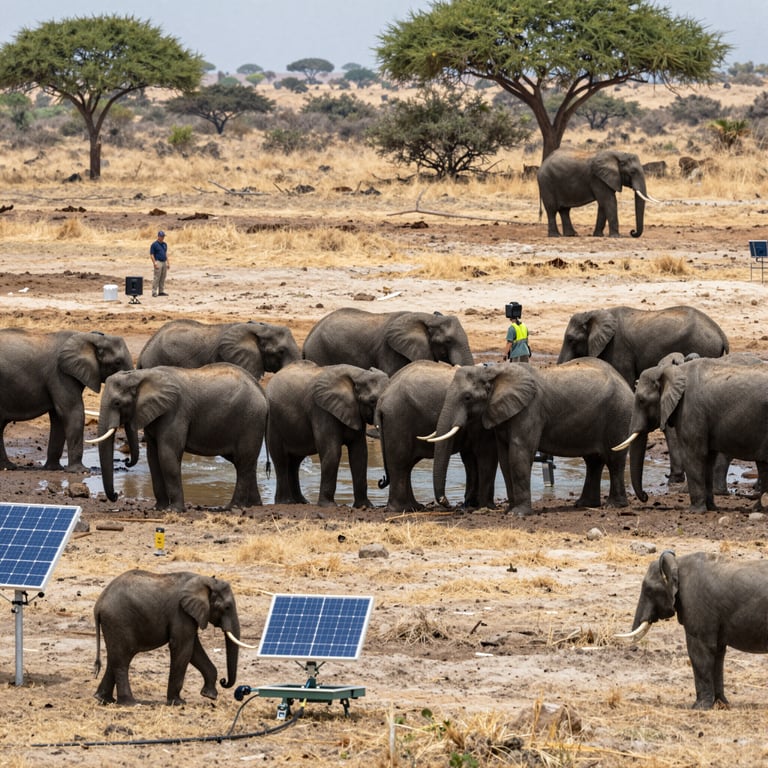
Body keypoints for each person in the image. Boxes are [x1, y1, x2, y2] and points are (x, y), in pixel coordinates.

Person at [150, 230, 170, 297]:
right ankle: (154, 292)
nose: (162, 237)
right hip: (158, 261)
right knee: (157, 277)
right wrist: (154, 263)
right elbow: (152, 254)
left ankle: (161, 291)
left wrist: (168, 262)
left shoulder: (165, 244)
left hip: (164, 262)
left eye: (163, 236)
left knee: (163, 277)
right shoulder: (154, 244)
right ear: (158, 236)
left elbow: (165, 253)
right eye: (161, 236)